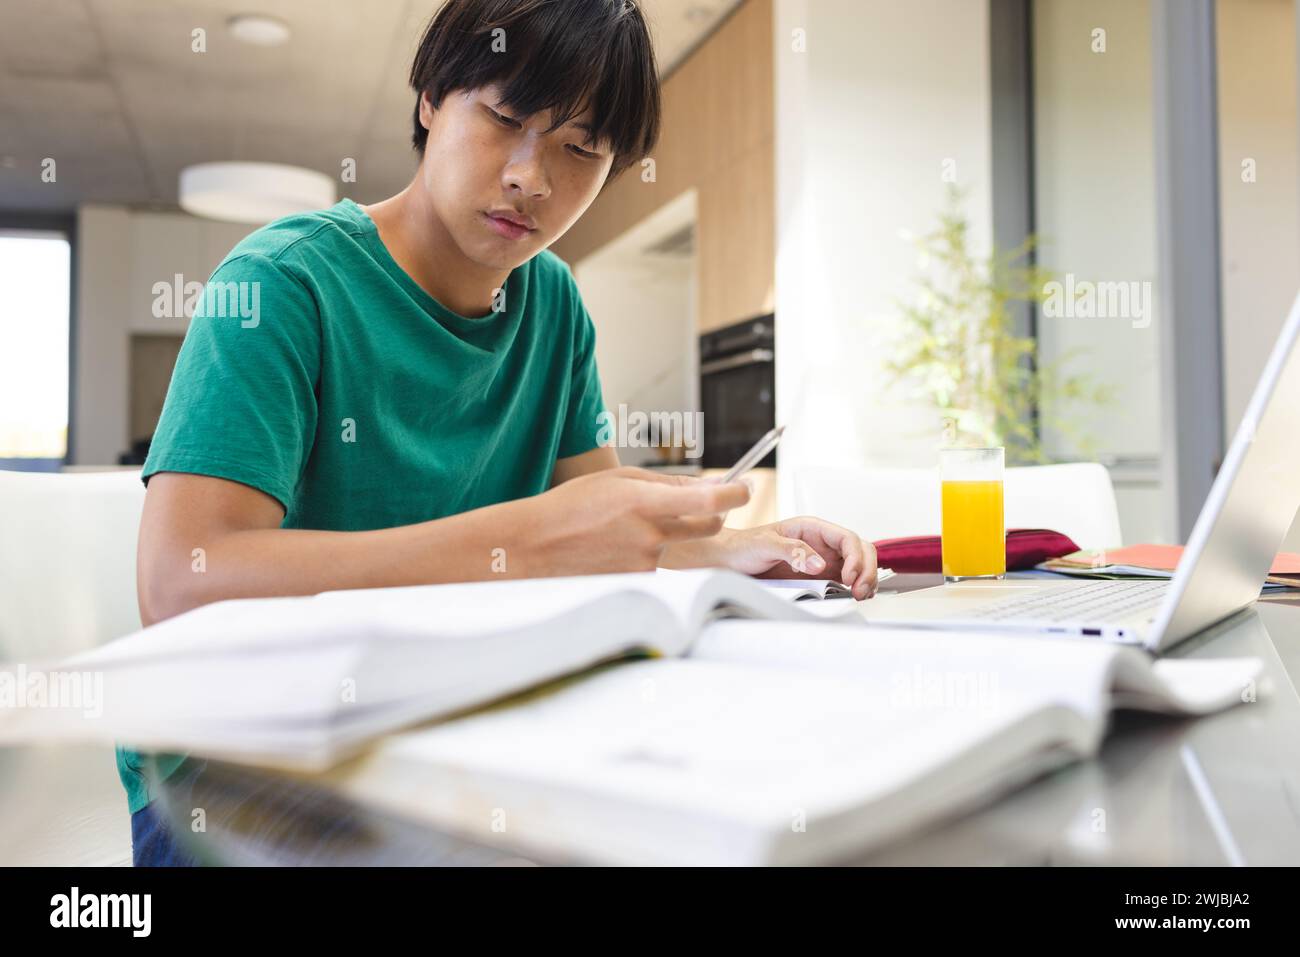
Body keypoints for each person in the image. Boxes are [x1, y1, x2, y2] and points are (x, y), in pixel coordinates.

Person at [124, 0, 878, 866]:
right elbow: (182, 586)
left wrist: (748, 548)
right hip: (245, 771)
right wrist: (522, 543)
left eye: (580, 148)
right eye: (507, 119)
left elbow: (601, 532)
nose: (533, 176)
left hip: (451, 730)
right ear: (429, 99)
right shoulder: (281, 283)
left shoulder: (551, 304)